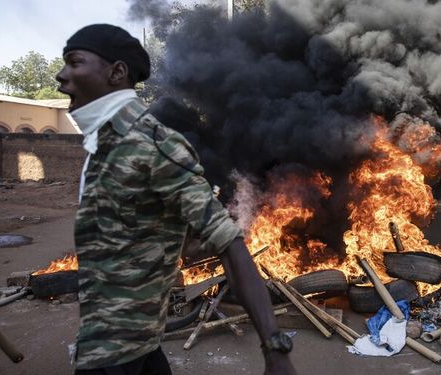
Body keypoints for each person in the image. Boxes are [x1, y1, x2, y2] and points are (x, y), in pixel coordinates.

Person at [56, 24, 296, 375]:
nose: (61, 76)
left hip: (116, 355)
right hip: (122, 344)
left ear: (116, 72)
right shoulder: (101, 146)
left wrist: (274, 349)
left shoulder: (153, 145)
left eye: (74, 62)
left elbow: (229, 244)